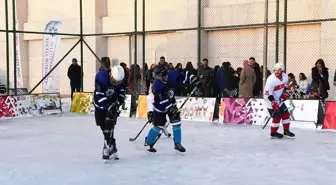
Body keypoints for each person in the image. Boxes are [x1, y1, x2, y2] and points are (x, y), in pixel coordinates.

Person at [145, 64, 199, 154]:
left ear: (164, 74)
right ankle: (149, 141)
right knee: (159, 126)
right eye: (156, 76)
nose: (157, 78)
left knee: (176, 122)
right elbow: (158, 100)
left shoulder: (172, 74)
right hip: (160, 108)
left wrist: (194, 80)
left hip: (171, 103)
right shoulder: (156, 86)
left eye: (158, 76)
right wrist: (151, 111)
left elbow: (184, 74)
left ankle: (177, 144)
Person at [93, 65, 127, 160]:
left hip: (112, 102)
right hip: (100, 105)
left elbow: (121, 92)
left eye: (118, 82)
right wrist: (109, 106)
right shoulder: (101, 77)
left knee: (109, 125)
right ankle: (112, 145)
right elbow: (99, 95)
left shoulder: (123, 79)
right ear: (110, 75)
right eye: (114, 81)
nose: (116, 83)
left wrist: (118, 103)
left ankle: (107, 147)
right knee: (102, 125)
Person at [264, 63, 295, 139]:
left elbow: (285, 87)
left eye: (279, 70)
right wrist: (273, 102)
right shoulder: (271, 80)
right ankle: (273, 132)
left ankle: (286, 131)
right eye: (275, 70)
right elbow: (268, 93)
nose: (277, 72)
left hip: (279, 100)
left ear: (282, 70)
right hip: (270, 101)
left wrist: (285, 93)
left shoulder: (285, 77)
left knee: (286, 114)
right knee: (277, 117)